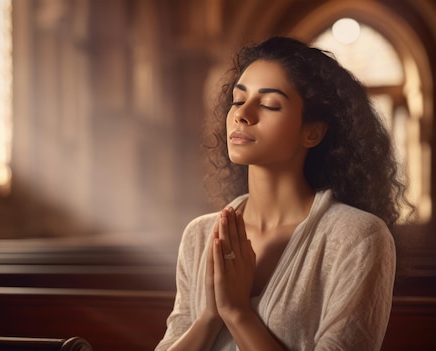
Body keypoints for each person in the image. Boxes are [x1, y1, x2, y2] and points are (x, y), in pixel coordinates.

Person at [155, 36, 411, 351]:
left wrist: (237, 313)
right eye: (238, 100)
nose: (243, 115)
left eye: (269, 104)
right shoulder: (200, 234)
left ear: (312, 132)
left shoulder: (358, 237)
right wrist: (209, 315)